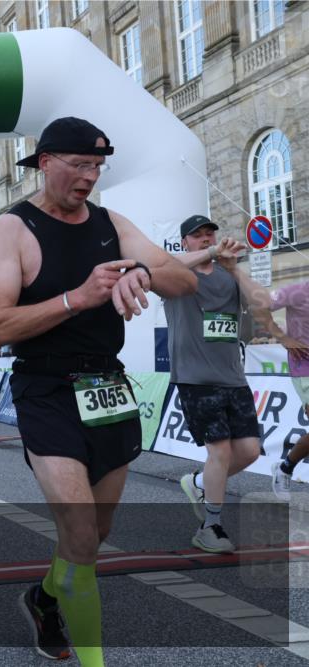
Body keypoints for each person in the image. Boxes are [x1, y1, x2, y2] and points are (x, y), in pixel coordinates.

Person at [0, 117, 196, 665]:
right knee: (79, 531)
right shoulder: (11, 230)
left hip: (108, 383)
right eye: (79, 165)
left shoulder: (110, 223)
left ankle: (44, 597)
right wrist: (77, 298)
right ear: (45, 160)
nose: (89, 178)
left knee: (96, 534)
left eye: (97, 167)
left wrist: (140, 273)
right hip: (46, 386)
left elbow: (185, 280)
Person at [166, 216, 269, 553]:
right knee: (220, 450)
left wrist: (235, 267)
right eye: (198, 236)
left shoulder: (226, 276)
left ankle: (197, 483)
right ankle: (210, 527)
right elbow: (161, 266)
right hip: (195, 377)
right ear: (185, 242)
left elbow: (262, 302)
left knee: (250, 451)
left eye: (210, 233)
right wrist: (211, 251)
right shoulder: (179, 273)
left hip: (232, 377)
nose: (207, 239)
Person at [268, 280, 309, 498]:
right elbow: (260, 306)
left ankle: (284, 468)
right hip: (305, 370)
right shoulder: (298, 291)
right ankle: (285, 468)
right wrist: (285, 339)